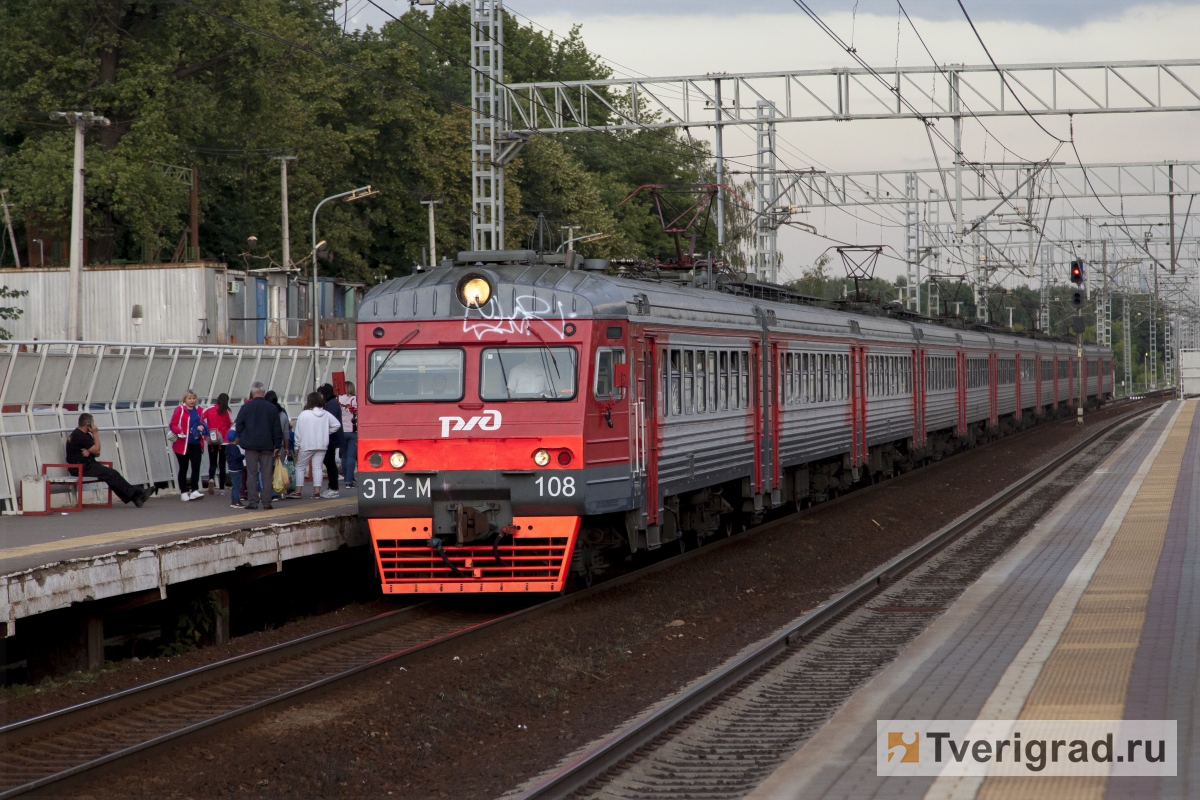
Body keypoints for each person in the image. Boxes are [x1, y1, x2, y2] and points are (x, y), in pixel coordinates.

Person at [65, 414, 146, 507]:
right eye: (92, 422)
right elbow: (97, 451)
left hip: (86, 465)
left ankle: (136, 497)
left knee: (110, 474)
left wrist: (90, 452)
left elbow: (96, 453)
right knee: (111, 473)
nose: (94, 425)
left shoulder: (81, 434)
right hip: (80, 468)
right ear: (88, 424)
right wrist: (95, 433)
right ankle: (137, 495)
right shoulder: (80, 436)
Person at [234, 380, 282, 511]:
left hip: (250, 446)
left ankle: (253, 502)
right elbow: (277, 428)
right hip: (268, 445)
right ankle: (267, 502)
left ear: (252, 392)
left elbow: (239, 426)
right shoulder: (272, 408)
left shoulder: (245, 408)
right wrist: (277, 445)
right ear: (264, 392)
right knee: (266, 474)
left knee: (252, 474)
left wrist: (244, 437)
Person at [291, 391, 342, 499]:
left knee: (300, 467)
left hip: (307, 445)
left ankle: (298, 491)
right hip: (322, 445)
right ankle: (317, 492)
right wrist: (326, 432)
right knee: (317, 467)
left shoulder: (304, 414)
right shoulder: (326, 414)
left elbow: (298, 432)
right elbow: (337, 425)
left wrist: (296, 446)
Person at [170, 390, 208, 501]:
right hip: (182, 444)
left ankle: (195, 490)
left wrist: (201, 427)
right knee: (183, 468)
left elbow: (202, 423)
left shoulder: (200, 410)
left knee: (196, 467)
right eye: (189, 398)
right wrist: (179, 431)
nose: (192, 401)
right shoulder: (180, 410)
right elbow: (173, 424)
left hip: (196, 442)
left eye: (193, 398)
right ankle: (183, 491)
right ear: (185, 400)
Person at [203, 393, 233, 495]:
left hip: (212, 438)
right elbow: (229, 424)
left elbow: (201, 418)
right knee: (222, 465)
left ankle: (211, 479)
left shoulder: (210, 409)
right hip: (224, 440)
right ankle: (222, 489)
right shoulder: (227, 411)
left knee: (212, 463)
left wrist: (207, 429)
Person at [264, 390, 291, 500]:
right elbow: (286, 433)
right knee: (279, 469)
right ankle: (280, 491)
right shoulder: (283, 414)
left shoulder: (265, 412)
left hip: (267, 445)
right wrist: (286, 447)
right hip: (280, 446)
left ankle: (269, 492)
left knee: (267, 470)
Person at [318, 383, 343, 497]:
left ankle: (334, 488)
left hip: (331, 438)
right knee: (329, 462)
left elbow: (328, 421)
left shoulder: (331, 404)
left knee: (330, 463)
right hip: (331, 437)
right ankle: (332, 486)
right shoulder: (332, 403)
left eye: (320, 394)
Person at [338, 382, 358, 488]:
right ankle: (349, 482)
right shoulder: (356, 400)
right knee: (351, 457)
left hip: (341, 431)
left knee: (344, 456)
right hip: (353, 430)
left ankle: (346, 478)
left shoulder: (338, 399)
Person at [225, 429, 245, 508]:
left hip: (231, 468)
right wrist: (243, 456)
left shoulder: (228, 448)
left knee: (234, 485)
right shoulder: (234, 448)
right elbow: (237, 457)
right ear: (236, 438)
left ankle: (234, 501)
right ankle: (236, 501)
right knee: (237, 486)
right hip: (236, 468)